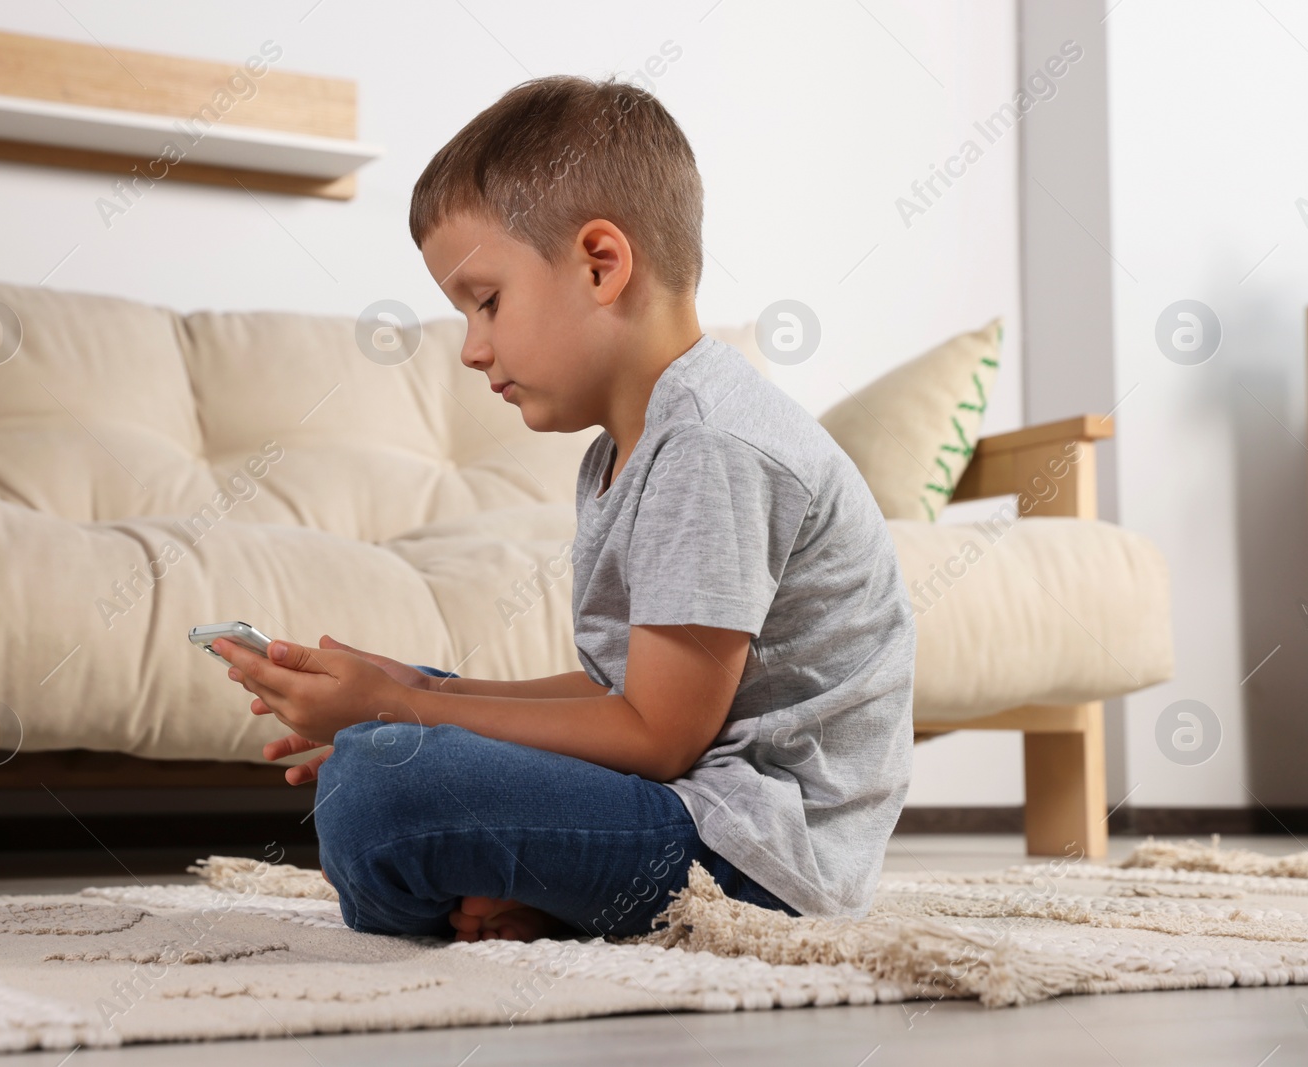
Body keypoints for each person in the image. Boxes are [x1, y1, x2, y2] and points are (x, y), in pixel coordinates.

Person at [213, 75, 914, 943]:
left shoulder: (710, 446)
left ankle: (542, 894)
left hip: (757, 854)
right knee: (393, 738)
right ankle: (550, 901)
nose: (471, 348)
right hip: (691, 805)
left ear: (600, 264)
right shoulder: (623, 450)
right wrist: (414, 688)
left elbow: (657, 735)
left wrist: (395, 715)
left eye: (487, 302)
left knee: (381, 782)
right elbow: (620, 691)